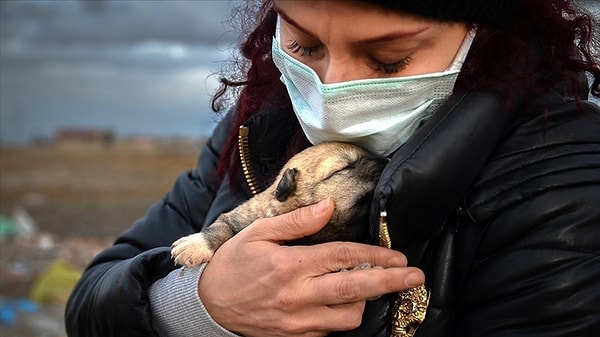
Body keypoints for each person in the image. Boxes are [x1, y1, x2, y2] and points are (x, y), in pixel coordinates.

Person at [65, 0, 600, 336]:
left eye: (389, 60)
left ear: (485, 29)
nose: (334, 90)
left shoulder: (564, 183)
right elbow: (91, 302)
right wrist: (197, 304)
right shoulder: (258, 127)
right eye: (303, 44)